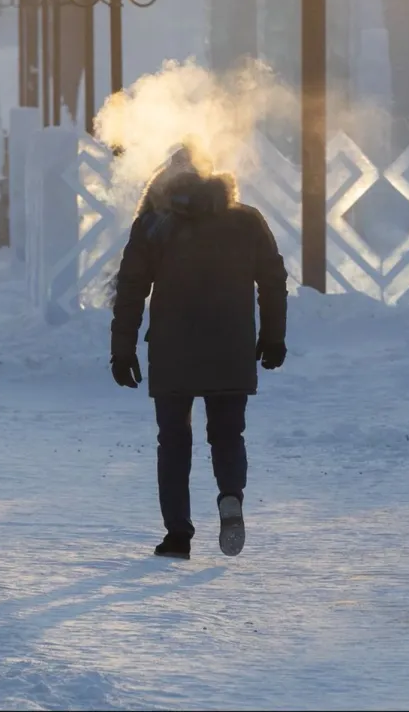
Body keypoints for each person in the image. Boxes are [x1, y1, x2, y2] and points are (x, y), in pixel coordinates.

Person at [110, 143, 288, 560]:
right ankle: (230, 495)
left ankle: (178, 535)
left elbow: (131, 291)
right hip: (231, 347)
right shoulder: (246, 220)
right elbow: (273, 279)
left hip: (173, 351)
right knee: (228, 434)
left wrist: (122, 350)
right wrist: (274, 337)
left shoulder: (153, 225)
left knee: (173, 441)